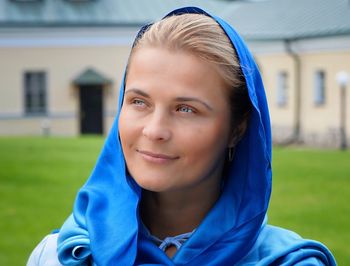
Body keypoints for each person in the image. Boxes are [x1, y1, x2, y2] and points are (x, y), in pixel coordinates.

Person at [27, 6, 336, 266]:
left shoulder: (289, 262)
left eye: (186, 109)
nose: (154, 130)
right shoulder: (61, 255)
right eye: (139, 102)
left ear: (237, 129)